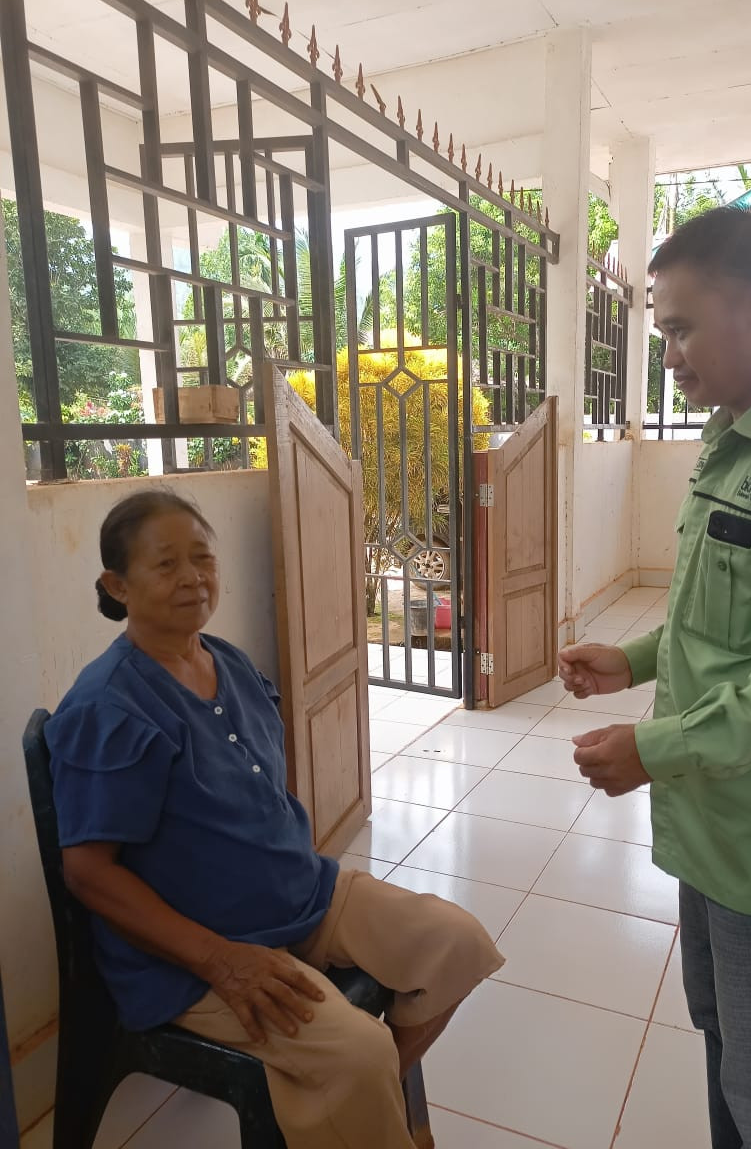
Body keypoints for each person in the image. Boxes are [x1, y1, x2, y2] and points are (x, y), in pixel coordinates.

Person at [46, 490, 504, 1149]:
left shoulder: (226, 662)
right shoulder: (109, 708)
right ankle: (363, 1105)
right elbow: (89, 875)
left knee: (456, 943)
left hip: (298, 895)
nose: (192, 578)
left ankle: (362, 1111)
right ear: (117, 585)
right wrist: (220, 960)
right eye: (166, 564)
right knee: (359, 1054)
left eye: (202, 558)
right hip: (196, 950)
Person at [559, 205, 751, 1149]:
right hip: (713, 825)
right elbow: (728, 614)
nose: (671, 359)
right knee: (729, 1052)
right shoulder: (734, 436)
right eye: (664, 334)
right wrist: (634, 660)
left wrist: (657, 747)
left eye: (682, 330)